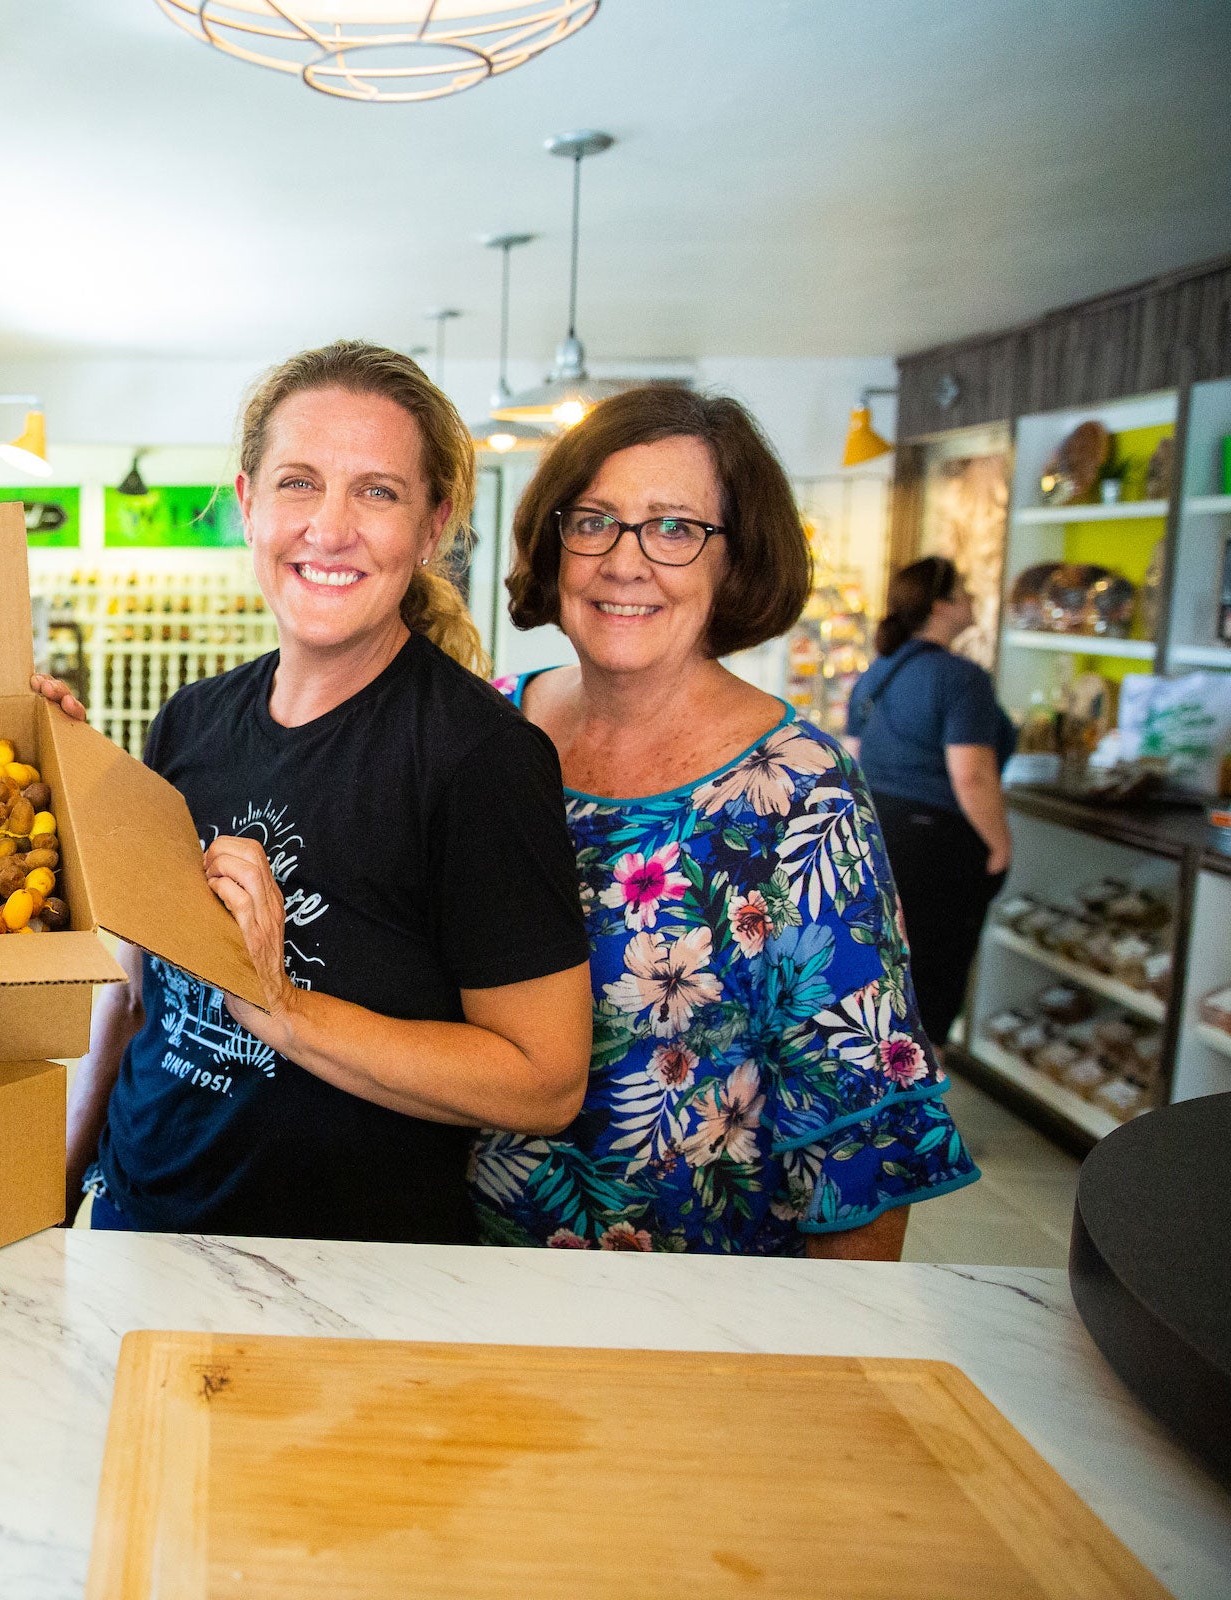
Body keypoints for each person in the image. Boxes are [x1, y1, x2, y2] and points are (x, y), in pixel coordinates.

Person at [66, 341, 594, 1245]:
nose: (330, 527)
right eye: (299, 482)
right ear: (247, 505)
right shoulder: (192, 720)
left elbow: (543, 1081)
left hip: (340, 1278)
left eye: (378, 491)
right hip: (128, 1222)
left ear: (434, 528)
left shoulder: (481, 758)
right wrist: (56, 1182)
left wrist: (284, 1010)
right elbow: (127, 991)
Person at [474, 386, 979, 1259]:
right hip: (434, 1273)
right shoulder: (483, 730)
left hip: (692, 1312)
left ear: (735, 559)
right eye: (593, 520)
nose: (624, 562)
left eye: (674, 528)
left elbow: (856, 1119)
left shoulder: (801, 791)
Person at [847, 556, 1015, 1057]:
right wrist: (1000, 843)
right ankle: (926, 1094)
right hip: (939, 843)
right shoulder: (961, 678)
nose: (972, 601)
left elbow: (851, 760)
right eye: (963, 591)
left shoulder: (877, 673)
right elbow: (972, 773)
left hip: (880, 833)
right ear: (942, 606)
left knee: (889, 971)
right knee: (936, 975)